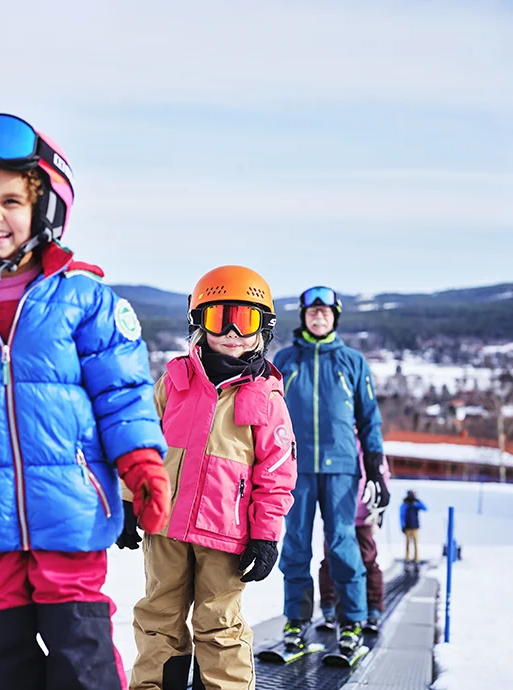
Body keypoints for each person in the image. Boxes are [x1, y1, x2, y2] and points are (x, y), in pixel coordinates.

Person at [0, 112, 171, 690]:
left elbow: (122, 393)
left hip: (69, 503)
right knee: (0, 653)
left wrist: (141, 463)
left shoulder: (83, 299)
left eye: (12, 201)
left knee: (79, 646)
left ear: (45, 207)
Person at [118, 266, 297, 690]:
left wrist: (266, 535)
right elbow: (143, 444)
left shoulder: (266, 396)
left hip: (227, 535)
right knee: (158, 618)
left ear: (263, 328)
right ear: (200, 323)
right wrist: (129, 500)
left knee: (219, 626)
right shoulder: (175, 381)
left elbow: (276, 474)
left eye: (246, 319)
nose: (233, 331)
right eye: (220, 319)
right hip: (165, 526)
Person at [273, 286, 389, 658]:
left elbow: (369, 418)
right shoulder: (286, 359)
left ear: (335, 317)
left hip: (341, 469)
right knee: (295, 546)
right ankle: (296, 620)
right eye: (312, 312)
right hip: (296, 468)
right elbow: (269, 415)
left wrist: (373, 466)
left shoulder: (353, 362)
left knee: (342, 544)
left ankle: (351, 622)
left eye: (325, 312)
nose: (318, 317)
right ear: (304, 317)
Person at [318, 450, 391, 630]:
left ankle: (373, 606)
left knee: (367, 560)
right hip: (338, 516)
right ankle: (329, 606)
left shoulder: (368, 445)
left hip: (362, 516)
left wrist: (377, 508)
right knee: (330, 560)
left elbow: (383, 476)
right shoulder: (335, 439)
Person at [400, 490, 427, 563]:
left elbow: (425, 508)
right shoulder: (405, 504)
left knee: (415, 543)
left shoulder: (416, 504)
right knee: (408, 543)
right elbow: (402, 515)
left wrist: (418, 502)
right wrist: (402, 525)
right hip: (407, 527)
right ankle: (407, 557)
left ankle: (416, 557)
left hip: (415, 527)